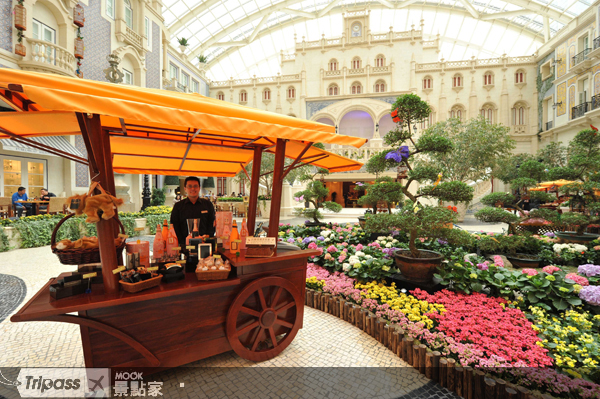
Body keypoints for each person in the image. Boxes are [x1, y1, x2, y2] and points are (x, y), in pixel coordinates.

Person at [170, 177, 216, 247]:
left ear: (199, 188)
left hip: (204, 244)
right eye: (189, 186)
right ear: (185, 188)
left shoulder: (208, 205)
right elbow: (174, 226)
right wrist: (182, 241)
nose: (193, 189)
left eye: (195, 186)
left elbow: (212, 223)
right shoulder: (178, 206)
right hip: (184, 245)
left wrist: (208, 237)